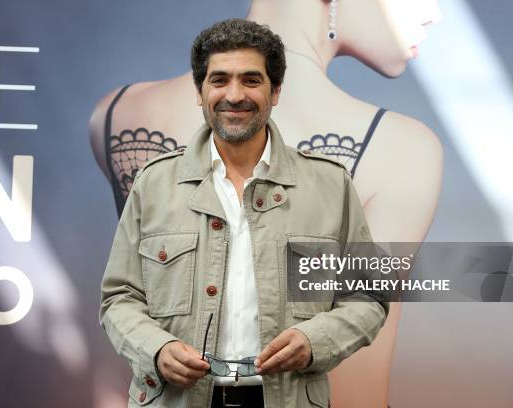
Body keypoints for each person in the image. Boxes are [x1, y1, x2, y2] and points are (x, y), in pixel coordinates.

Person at [91, 2, 442, 406]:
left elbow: (365, 300)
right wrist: (154, 349)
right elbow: (120, 298)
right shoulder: (153, 180)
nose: (235, 94)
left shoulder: (333, 181)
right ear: (200, 91)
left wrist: (316, 340)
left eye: (252, 81)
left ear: (276, 92)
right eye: (219, 80)